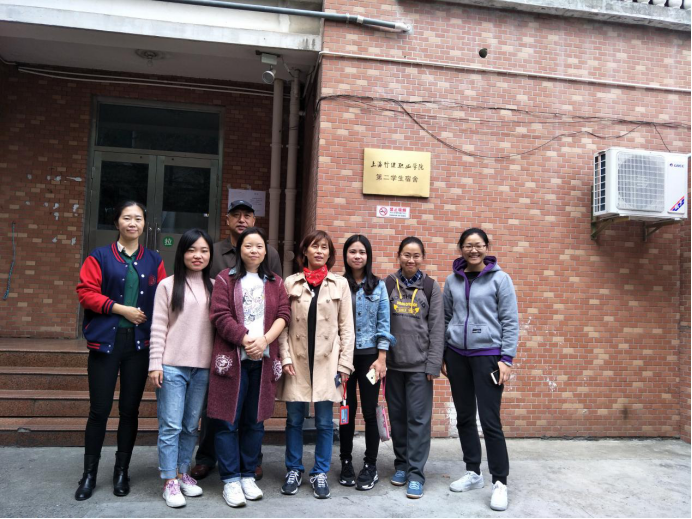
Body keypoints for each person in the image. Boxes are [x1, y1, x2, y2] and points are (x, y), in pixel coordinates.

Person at [74, 201, 166, 501]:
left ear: (144, 224)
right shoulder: (99, 256)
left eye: (138, 218)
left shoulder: (154, 260)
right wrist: (120, 309)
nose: (132, 223)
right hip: (106, 345)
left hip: (138, 346)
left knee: (129, 410)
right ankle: (89, 474)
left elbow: (163, 299)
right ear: (117, 223)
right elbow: (85, 293)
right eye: (127, 218)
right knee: (99, 411)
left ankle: (121, 471)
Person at [192, 199, 282, 481]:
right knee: (218, 408)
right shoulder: (216, 254)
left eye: (247, 215)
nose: (242, 219)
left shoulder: (271, 259)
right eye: (236, 215)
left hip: (261, 349)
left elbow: (278, 304)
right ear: (228, 220)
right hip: (222, 341)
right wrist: (243, 337)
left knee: (253, 412)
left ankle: (250, 463)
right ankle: (208, 458)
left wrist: (264, 340)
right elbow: (212, 303)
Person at [206, 227, 290, 508]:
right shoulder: (225, 279)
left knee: (255, 421)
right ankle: (230, 479)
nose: (254, 250)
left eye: (259, 246)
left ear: (266, 251)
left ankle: (247, 475)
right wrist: (244, 339)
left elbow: (284, 314)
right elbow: (219, 315)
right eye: (248, 246)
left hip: (263, 361)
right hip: (233, 360)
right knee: (227, 421)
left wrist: (264, 340)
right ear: (240, 249)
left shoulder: (276, 282)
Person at [442, 228, 519, 512]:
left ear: (486, 247)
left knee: (489, 420)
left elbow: (510, 320)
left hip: (488, 356)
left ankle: (500, 481)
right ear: (460, 248)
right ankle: (473, 472)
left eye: (478, 245)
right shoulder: (451, 280)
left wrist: (506, 359)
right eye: (467, 245)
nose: (473, 250)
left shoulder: (500, 279)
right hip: (457, 356)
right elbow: (445, 317)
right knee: (464, 417)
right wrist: (443, 354)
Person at [277, 230, 355, 500]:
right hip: (296, 361)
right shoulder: (291, 282)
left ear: (329, 253)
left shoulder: (339, 284)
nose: (319, 251)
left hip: (327, 363)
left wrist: (344, 365)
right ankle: (294, 469)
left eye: (324, 247)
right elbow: (282, 325)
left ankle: (320, 472)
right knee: (294, 420)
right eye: (314, 246)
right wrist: (285, 357)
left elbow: (347, 328)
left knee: (324, 422)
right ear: (305, 251)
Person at [148, 229, 215, 508]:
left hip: (202, 368)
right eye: (191, 250)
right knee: (171, 426)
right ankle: (169, 480)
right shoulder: (167, 285)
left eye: (204, 251)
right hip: (172, 366)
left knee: (190, 426)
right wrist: (155, 364)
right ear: (182, 253)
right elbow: (158, 326)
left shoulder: (215, 286)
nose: (197, 255)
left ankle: (183, 472)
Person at [385, 237, 444, 500]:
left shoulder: (431, 287)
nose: (411, 260)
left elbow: (437, 328)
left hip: (420, 367)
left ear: (423, 258)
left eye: (416, 255)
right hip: (393, 366)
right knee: (397, 418)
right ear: (398, 256)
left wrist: (433, 364)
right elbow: (380, 322)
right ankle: (401, 465)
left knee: (418, 420)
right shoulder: (388, 284)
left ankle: (416, 474)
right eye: (407, 255)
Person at [338, 235, 395, 491]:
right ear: (346, 255)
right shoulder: (339, 284)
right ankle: (346, 461)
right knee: (346, 411)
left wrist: (382, 358)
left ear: (368, 256)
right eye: (352, 251)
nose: (357, 256)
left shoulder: (379, 286)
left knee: (370, 411)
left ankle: (370, 465)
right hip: (344, 358)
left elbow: (384, 323)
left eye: (362, 252)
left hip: (370, 359)